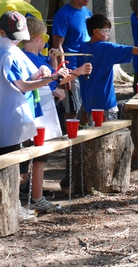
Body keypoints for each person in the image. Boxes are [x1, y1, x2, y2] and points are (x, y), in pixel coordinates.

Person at [0, 11, 66, 213]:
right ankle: (10, 206)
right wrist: (51, 78)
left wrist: (42, 73)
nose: (17, 42)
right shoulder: (4, 55)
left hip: (20, 116)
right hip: (10, 119)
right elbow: (23, 85)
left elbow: (29, 74)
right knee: (11, 166)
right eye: (14, 37)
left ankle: (13, 205)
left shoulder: (13, 52)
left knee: (21, 165)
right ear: (2, 32)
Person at [21, 17, 90, 211]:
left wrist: (53, 60)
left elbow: (52, 79)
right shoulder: (31, 58)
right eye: (44, 37)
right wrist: (77, 71)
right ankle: (35, 197)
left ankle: (35, 194)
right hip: (38, 115)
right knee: (37, 157)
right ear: (36, 37)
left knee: (39, 156)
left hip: (43, 111)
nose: (46, 41)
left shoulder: (38, 58)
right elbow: (54, 79)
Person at [79, 14, 138, 121]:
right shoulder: (107, 47)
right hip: (106, 102)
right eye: (106, 30)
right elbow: (130, 49)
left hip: (88, 101)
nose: (108, 34)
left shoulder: (82, 47)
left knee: (92, 131)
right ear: (95, 32)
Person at [52, 0, 97, 121]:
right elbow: (57, 45)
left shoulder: (87, 13)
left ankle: (84, 141)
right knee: (72, 110)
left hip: (87, 67)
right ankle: (70, 141)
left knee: (87, 107)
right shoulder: (63, 14)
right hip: (72, 70)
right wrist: (64, 73)